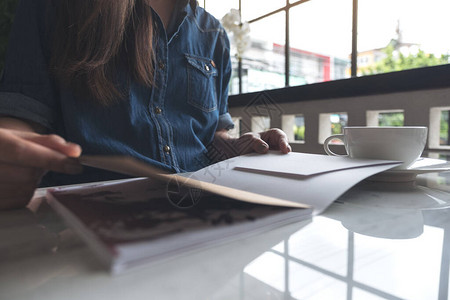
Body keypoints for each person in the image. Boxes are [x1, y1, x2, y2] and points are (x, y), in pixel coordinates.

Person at [0, 0, 291, 210]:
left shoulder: (213, 34)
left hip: (203, 208)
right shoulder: (53, 6)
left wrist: (237, 148)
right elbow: (22, 118)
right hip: (89, 212)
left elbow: (212, 136)